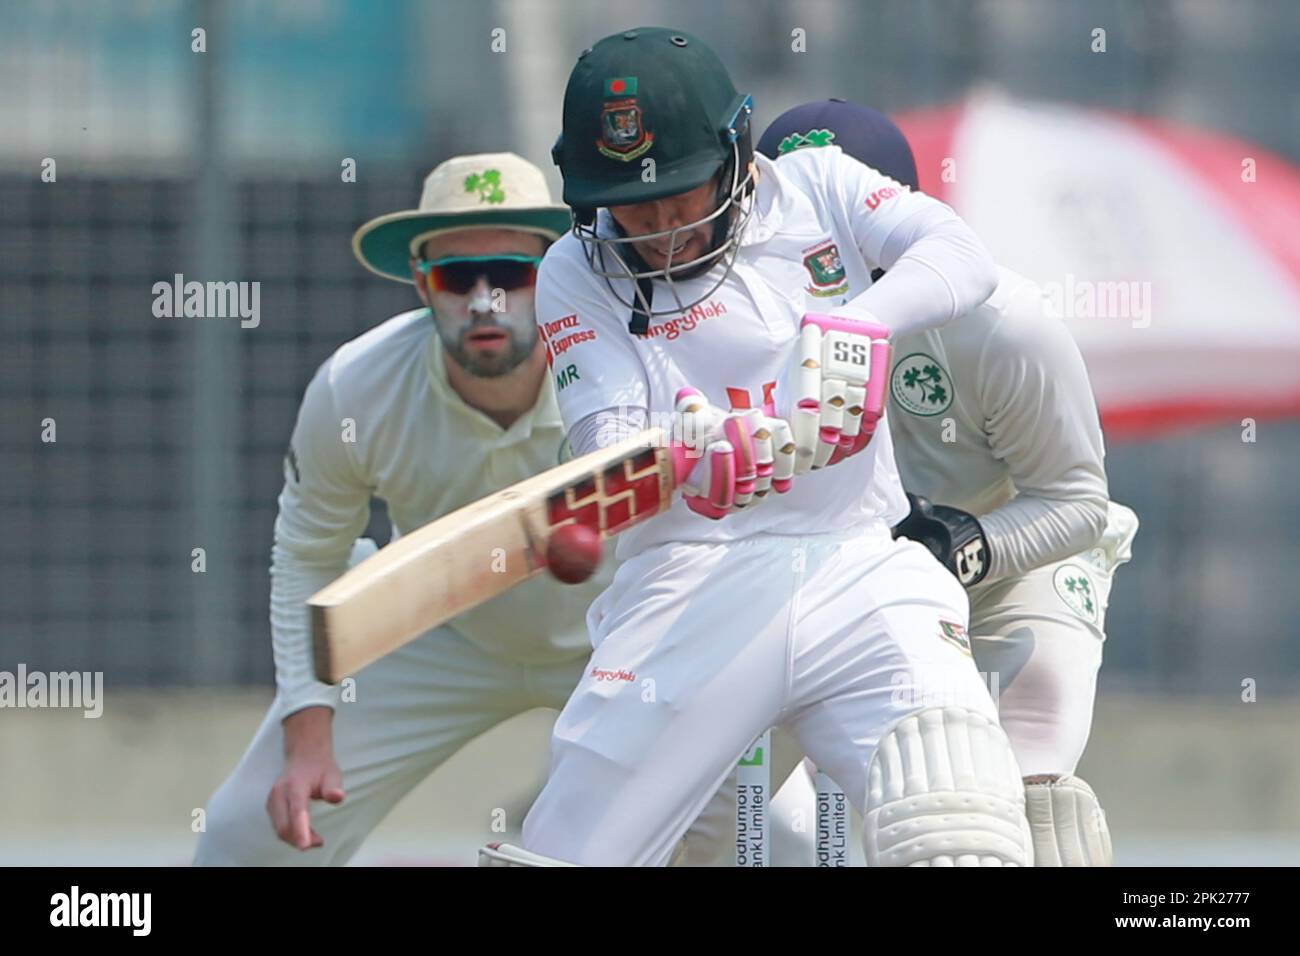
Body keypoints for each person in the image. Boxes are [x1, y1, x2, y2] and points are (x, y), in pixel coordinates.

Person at [480, 28, 1032, 868]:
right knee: (573, 853)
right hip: (689, 582)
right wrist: (684, 458)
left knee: (959, 827)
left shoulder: (817, 185)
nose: (660, 231)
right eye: (634, 206)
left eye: (679, 196)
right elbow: (606, 443)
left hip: (860, 564)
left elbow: (962, 256)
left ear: (736, 155)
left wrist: (854, 324)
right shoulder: (572, 271)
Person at [193, 152, 733, 865]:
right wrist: (309, 733)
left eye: (511, 274)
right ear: (420, 283)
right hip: (439, 632)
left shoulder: (634, 367)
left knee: (763, 831)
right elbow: (308, 552)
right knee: (249, 840)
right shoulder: (356, 387)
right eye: (456, 278)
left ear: (556, 275)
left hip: (623, 637)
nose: (485, 301)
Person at [758, 99, 1139, 866]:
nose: (822, 247)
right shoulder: (735, 321)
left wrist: (966, 545)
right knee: (765, 828)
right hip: (825, 578)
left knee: (1030, 811)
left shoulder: (1000, 321)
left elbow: (1074, 502)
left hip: (1013, 566)